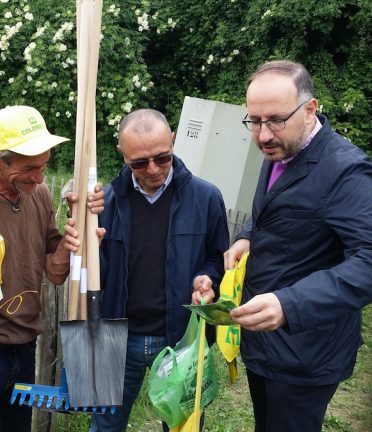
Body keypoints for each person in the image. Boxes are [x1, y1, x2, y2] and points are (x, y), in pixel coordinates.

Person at [223, 60, 372, 432]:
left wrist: (289, 304)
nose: (262, 135)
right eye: (253, 121)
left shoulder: (345, 171)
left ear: (309, 109)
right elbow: (279, 206)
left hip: (307, 352)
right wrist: (247, 235)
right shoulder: (279, 149)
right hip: (264, 343)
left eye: (274, 120)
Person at [0, 105, 104, 432]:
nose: (40, 178)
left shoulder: (39, 195)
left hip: (25, 349)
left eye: (43, 166)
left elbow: (55, 273)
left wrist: (77, 241)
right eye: (29, 168)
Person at [90, 108, 229, 432]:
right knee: (105, 427)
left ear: (173, 142)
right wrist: (87, 244)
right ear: (122, 155)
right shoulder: (105, 204)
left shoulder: (206, 198)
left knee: (182, 426)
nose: (152, 169)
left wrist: (208, 278)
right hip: (115, 339)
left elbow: (216, 257)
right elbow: (98, 276)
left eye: (162, 157)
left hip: (181, 337)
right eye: (139, 162)